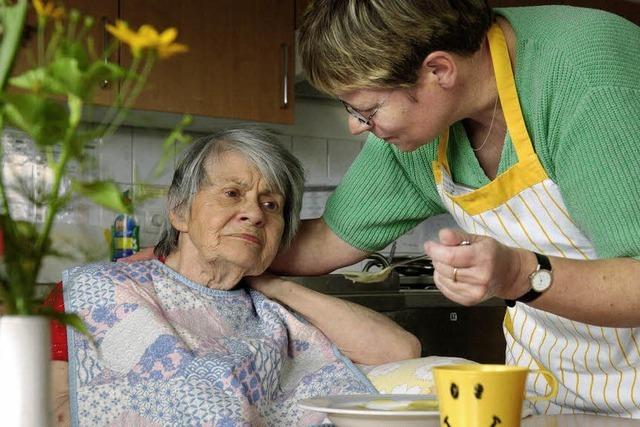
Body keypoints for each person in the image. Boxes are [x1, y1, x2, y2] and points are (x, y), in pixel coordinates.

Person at [269, 0, 640, 419]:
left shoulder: (586, 74)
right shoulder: (421, 130)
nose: (355, 126)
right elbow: (323, 243)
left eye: (368, 110)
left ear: (440, 71)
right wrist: (204, 240)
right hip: (549, 389)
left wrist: (516, 274)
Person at [47, 127, 421, 426]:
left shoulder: (274, 310)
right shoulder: (98, 292)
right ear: (179, 211)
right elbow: (55, 409)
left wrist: (273, 283)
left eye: (270, 204)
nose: (254, 214)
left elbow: (399, 351)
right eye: (231, 193)